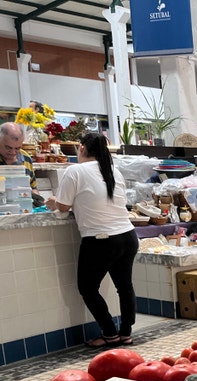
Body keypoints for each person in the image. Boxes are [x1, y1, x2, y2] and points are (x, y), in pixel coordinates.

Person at [46, 132, 139, 348]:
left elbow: (63, 206)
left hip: (101, 240)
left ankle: (109, 332)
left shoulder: (74, 170)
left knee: (87, 288)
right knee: (124, 286)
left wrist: (53, 201)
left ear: (81, 148)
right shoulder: (113, 170)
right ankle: (125, 333)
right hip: (127, 236)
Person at [0, 122, 40, 197]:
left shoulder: (26, 158)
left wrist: (36, 197)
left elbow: (33, 187)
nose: (13, 152)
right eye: (8, 147)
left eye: (17, 148)